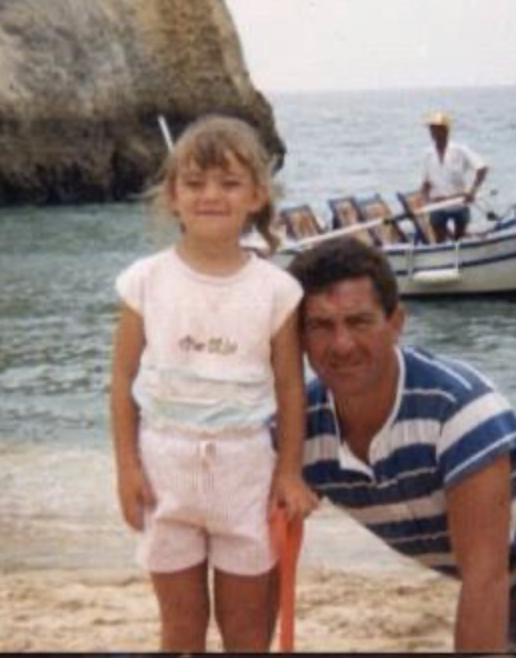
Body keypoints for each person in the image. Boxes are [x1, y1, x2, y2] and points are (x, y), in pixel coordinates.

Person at [287, 237, 516, 654]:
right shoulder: (298, 429)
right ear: (297, 337)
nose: (341, 344)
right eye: (320, 325)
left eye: (359, 322)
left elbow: (484, 577)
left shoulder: (457, 409)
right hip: (510, 567)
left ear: (396, 322)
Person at [110, 116, 318, 653]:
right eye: (195, 183)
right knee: (180, 630)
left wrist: (290, 472)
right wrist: (127, 468)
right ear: (172, 197)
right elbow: (122, 378)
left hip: (245, 468)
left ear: (256, 196)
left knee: (247, 632)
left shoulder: (276, 290)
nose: (211, 196)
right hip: (164, 465)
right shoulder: (145, 281)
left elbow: (292, 390)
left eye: (229, 183)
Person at [421, 111, 489, 243]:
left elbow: (482, 168)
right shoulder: (427, 154)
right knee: (439, 242)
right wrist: (425, 201)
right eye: (431, 129)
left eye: (436, 129)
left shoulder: (460, 150)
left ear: (446, 130)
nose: (433, 133)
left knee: (460, 241)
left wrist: (472, 192)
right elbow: (426, 184)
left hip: (459, 203)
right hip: (438, 205)